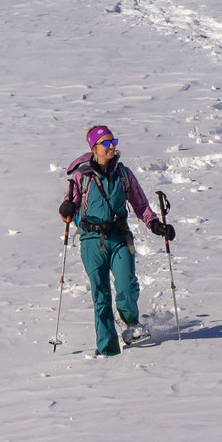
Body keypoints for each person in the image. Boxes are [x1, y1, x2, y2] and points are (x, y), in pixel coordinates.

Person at [59, 124, 175, 355]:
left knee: (126, 285)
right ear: (94, 148)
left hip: (120, 236)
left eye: (114, 142)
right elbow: (67, 212)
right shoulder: (81, 177)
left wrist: (155, 225)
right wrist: (66, 209)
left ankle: (131, 323)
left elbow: (140, 205)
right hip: (91, 240)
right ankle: (108, 349)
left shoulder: (123, 174)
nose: (112, 147)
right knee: (100, 295)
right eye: (106, 143)